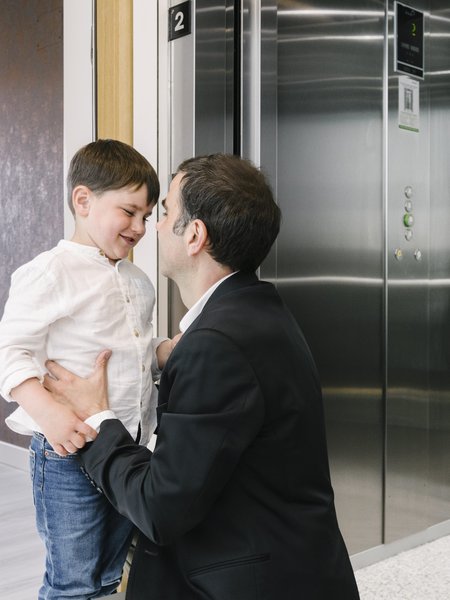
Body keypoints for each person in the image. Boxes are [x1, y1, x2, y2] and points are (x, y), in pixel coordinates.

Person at [44, 153, 360, 599]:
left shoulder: (218, 345)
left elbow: (159, 508)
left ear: (194, 235)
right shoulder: (258, 311)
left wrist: (99, 418)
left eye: (164, 212)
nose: (150, 227)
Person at [0, 139, 178, 599]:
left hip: (127, 448)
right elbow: (11, 352)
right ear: (83, 200)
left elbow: (136, 351)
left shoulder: (138, 282)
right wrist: (50, 413)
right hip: (68, 457)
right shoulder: (48, 273)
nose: (139, 227)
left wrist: (169, 351)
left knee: (109, 572)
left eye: (147, 215)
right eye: (129, 211)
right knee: (73, 577)